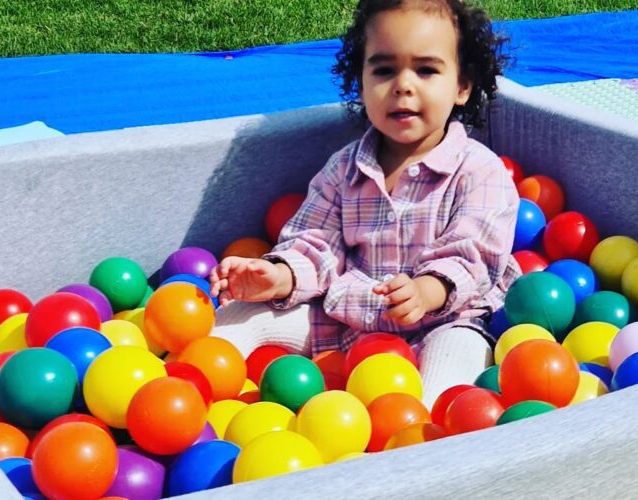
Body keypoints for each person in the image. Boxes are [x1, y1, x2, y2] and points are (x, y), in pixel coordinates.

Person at [210, 0, 517, 407]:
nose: (403, 85)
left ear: (462, 85)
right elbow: (314, 242)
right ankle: (189, 400)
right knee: (236, 317)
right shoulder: (343, 169)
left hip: (442, 321)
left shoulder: (480, 171)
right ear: (360, 80)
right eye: (384, 69)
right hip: (347, 319)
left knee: (450, 375)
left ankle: (414, 443)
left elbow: (476, 254)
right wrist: (277, 275)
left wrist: (427, 291)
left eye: (426, 70)